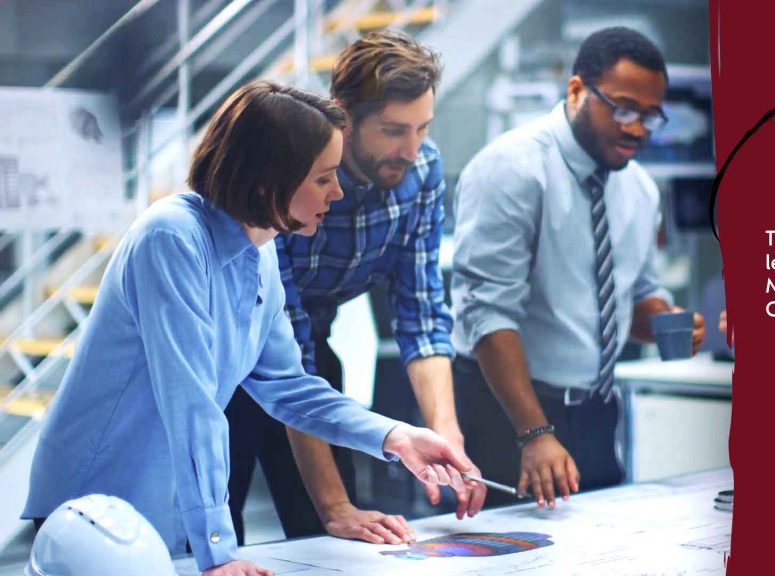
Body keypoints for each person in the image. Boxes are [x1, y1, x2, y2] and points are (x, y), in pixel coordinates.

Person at [23, 81, 471, 576]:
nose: (338, 192)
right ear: (269, 180)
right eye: (323, 178)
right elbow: (191, 403)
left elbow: (290, 388)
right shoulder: (171, 237)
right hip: (97, 508)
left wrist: (396, 436)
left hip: (164, 505)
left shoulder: (258, 252)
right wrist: (219, 552)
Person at [226, 30, 485, 546]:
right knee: (216, 536)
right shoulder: (292, 173)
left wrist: (445, 439)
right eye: (394, 131)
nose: (412, 150)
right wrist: (336, 505)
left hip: (311, 352)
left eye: (422, 128)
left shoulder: (422, 169)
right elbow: (285, 349)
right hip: (229, 361)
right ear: (343, 113)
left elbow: (421, 310)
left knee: (333, 540)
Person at [450, 27, 706, 509]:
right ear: (576, 91)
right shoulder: (512, 168)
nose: (636, 128)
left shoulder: (639, 190)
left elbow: (634, 300)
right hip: (508, 414)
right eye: (624, 108)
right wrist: (535, 432)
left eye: (650, 116)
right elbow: (487, 315)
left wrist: (670, 322)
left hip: (594, 414)